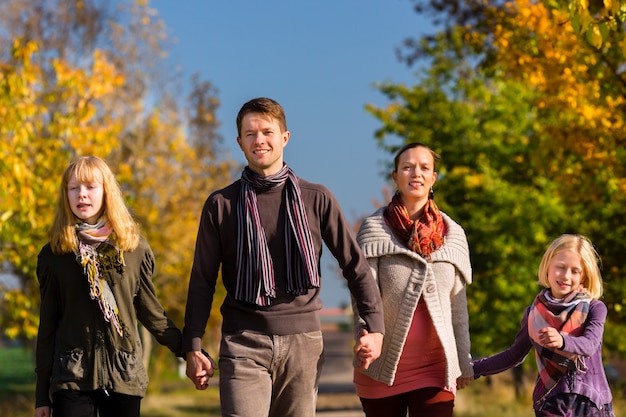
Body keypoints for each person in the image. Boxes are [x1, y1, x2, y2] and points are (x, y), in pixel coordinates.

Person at [182, 97, 385, 417]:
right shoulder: (221, 205)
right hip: (243, 343)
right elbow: (202, 280)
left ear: (285, 138)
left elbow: (354, 266)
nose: (259, 140)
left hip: (303, 343)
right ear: (239, 142)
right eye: (250, 134)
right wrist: (192, 346)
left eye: (267, 131)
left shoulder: (316, 198)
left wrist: (374, 326)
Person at [34, 156, 183, 417]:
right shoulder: (55, 255)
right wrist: (40, 397)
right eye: (73, 188)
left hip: (124, 376)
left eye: (91, 186)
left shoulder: (133, 249)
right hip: (72, 377)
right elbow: (47, 326)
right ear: (65, 194)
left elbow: (151, 314)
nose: (82, 195)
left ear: (106, 192)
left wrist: (188, 350)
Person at [352, 142, 473, 417]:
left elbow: (458, 307)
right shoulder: (374, 229)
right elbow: (362, 296)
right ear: (396, 176)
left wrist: (464, 362)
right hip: (381, 368)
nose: (415, 173)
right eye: (407, 167)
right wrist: (364, 336)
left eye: (424, 168)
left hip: (436, 369)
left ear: (433, 178)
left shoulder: (454, 234)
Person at [471, 234, 615, 416]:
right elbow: (513, 355)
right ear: (547, 267)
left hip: (591, 406)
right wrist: (474, 369)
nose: (566, 276)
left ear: (584, 276)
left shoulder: (595, 308)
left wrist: (563, 341)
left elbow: (590, 344)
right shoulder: (533, 314)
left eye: (575, 271)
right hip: (551, 404)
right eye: (560, 267)